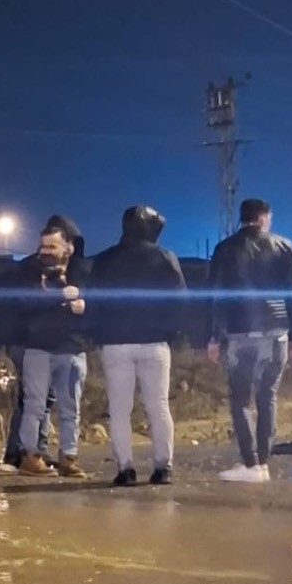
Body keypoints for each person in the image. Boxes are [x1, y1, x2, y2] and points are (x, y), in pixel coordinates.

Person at [207, 198, 292, 482]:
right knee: (268, 397)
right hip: (277, 333)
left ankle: (249, 463)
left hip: (240, 333)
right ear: (263, 217)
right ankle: (262, 463)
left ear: (244, 218)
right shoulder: (284, 246)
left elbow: (215, 297)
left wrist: (213, 336)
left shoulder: (224, 249)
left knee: (240, 400)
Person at [88, 205, 187, 486]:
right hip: (155, 342)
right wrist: (170, 330)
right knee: (158, 406)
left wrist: (100, 333)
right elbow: (180, 299)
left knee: (120, 409)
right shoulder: (164, 257)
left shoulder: (105, 260)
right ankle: (162, 467)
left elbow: (93, 300)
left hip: (116, 344)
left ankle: (126, 469)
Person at [2, 214, 87, 471]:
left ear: (69, 246)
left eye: (52, 246)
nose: (45, 251)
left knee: (69, 407)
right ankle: (28, 456)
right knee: (34, 404)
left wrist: (85, 308)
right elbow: (23, 302)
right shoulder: (29, 269)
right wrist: (59, 296)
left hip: (72, 348)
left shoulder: (82, 270)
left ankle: (67, 458)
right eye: (43, 246)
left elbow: (101, 304)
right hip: (37, 346)